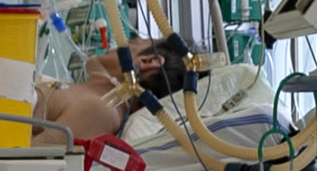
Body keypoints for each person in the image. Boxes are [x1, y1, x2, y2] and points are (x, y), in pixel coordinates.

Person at [32, 37, 203, 145]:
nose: (120, 43)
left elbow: (25, 160)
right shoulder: (86, 94)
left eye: (133, 41)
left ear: (148, 61)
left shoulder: (101, 110)